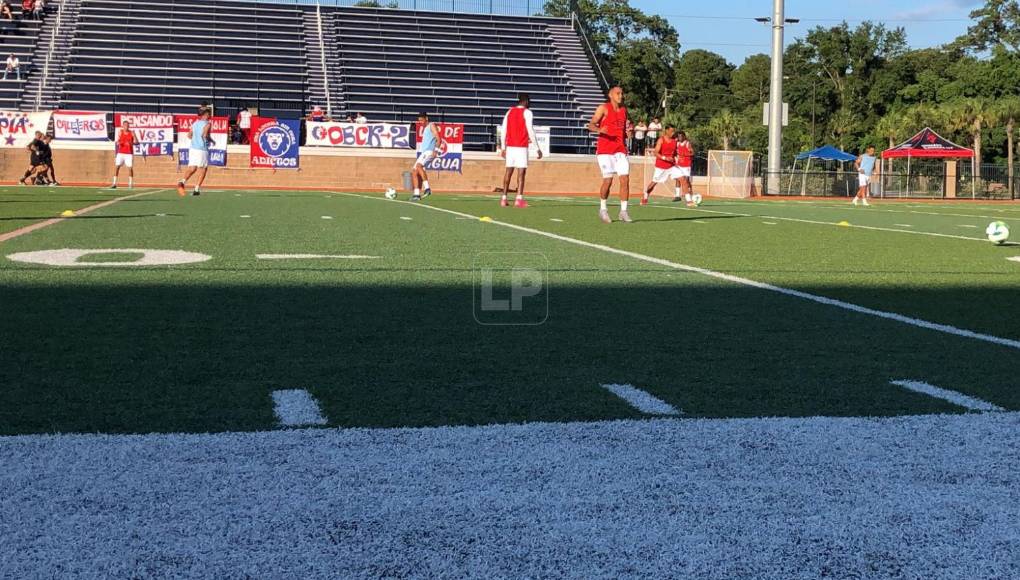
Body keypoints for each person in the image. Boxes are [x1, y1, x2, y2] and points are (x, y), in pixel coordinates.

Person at [587, 86, 632, 223]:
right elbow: (591, 125)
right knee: (608, 180)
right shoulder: (603, 108)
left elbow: (624, 129)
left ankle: (623, 211)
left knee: (625, 179)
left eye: (622, 93)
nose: (621, 96)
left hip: (620, 149)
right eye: (618, 93)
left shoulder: (624, 110)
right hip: (605, 150)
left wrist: (628, 133)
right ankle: (603, 209)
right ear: (610, 95)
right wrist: (601, 130)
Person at [498, 93, 542, 208]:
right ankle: (519, 199)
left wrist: (503, 147)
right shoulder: (527, 113)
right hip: (521, 146)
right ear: (526, 101)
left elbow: (503, 130)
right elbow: (530, 130)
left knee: (508, 172)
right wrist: (537, 148)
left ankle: (504, 198)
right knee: (521, 173)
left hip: (510, 147)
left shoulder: (509, 111)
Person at [641, 125, 681, 205]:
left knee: (680, 177)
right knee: (654, 183)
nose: (673, 133)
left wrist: (677, 157)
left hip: (671, 165)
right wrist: (665, 158)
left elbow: (675, 152)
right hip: (661, 166)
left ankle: (679, 196)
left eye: (674, 131)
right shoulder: (661, 140)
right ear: (666, 131)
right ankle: (645, 196)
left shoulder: (674, 141)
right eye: (671, 131)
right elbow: (656, 152)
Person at [177, 108, 212, 196]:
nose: (210, 116)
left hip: (193, 148)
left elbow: (189, 135)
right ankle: (196, 189)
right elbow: (204, 135)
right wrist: (211, 140)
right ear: (204, 115)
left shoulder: (195, 123)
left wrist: (196, 140)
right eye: (208, 114)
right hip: (202, 149)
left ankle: (182, 181)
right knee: (203, 169)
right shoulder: (207, 124)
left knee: (192, 168)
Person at [411, 111, 440, 201]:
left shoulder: (431, 125)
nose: (420, 122)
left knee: (419, 166)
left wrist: (436, 150)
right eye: (419, 121)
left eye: (421, 120)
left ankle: (427, 188)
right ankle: (416, 194)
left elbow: (438, 138)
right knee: (414, 172)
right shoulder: (425, 128)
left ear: (426, 118)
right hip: (424, 152)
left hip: (429, 151)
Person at [111, 120, 135, 189]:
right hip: (120, 152)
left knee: (130, 168)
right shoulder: (120, 132)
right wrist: (118, 143)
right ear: (123, 126)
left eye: (127, 125)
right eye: (125, 125)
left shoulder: (131, 133)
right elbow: (117, 142)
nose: (126, 127)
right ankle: (114, 183)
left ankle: (130, 184)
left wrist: (134, 136)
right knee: (117, 167)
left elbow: (136, 142)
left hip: (129, 153)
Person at [676, 131, 695, 205]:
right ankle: (677, 196)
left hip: (686, 165)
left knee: (686, 181)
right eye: (678, 136)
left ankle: (690, 194)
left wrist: (686, 153)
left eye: (681, 136)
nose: (679, 138)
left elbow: (692, 153)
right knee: (678, 179)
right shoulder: (677, 143)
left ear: (684, 137)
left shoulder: (687, 143)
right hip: (679, 164)